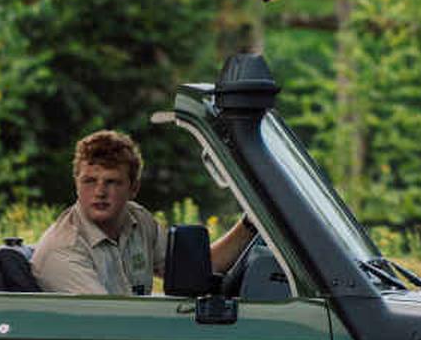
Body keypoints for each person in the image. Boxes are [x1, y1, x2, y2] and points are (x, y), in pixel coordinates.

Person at [29, 128, 253, 299]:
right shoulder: (63, 250)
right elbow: (107, 323)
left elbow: (195, 271)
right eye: (89, 181)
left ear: (133, 188)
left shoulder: (137, 219)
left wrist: (250, 225)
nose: (99, 192)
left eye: (112, 182)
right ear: (76, 185)